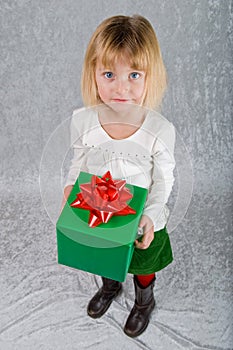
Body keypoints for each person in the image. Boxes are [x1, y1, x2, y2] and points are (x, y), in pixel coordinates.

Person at [62, 15, 176, 338]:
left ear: (149, 77)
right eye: (109, 74)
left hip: (142, 218)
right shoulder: (84, 121)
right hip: (102, 208)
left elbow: (164, 181)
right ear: (93, 74)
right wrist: (71, 188)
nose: (121, 87)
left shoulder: (159, 130)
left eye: (134, 74)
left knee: (142, 262)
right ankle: (110, 286)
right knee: (103, 255)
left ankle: (144, 301)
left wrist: (151, 216)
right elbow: (79, 160)